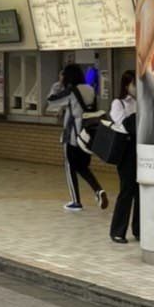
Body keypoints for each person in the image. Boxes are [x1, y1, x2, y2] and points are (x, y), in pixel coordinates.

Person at [47, 63, 108, 212]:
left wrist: (58, 84)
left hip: (72, 136)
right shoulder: (90, 89)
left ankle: (75, 201)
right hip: (87, 136)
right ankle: (98, 190)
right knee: (82, 167)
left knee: (70, 167)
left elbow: (52, 101)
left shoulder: (71, 91)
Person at [108, 69, 139, 244]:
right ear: (126, 85)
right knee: (126, 190)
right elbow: (123, 125)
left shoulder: (142, 101)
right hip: (126, 152)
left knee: (140, 191)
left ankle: (139, 229)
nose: (137, 87)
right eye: (134, 84)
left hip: (141, 149)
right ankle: (118, 231)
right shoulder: (118, 103)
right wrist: (137, 115)